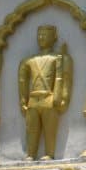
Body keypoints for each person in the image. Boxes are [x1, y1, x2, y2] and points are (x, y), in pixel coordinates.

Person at [18, 25, 72, 160]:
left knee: (50, 130)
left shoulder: (57, 58)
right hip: (33, 99)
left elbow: (64, 79)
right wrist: (23, 99)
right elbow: (22, 81)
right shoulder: (29, 61)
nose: (41, 37)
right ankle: (31, 154)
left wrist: (63, 97)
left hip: (49, 98)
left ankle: (49, 153)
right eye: (39, 34)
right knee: (32, 129)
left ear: (54, 37)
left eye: (45, 34)